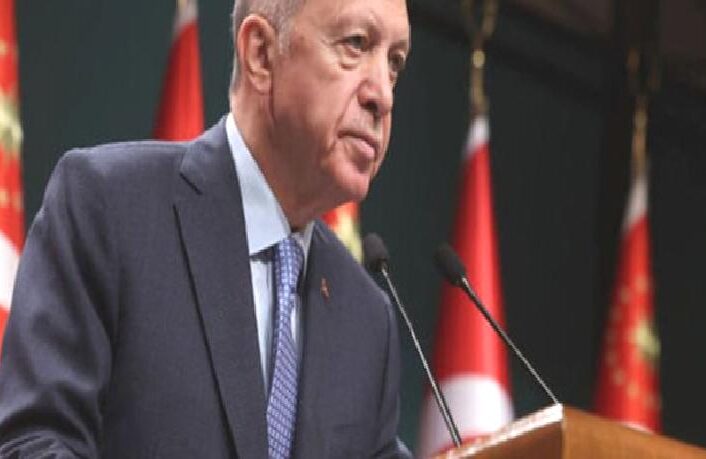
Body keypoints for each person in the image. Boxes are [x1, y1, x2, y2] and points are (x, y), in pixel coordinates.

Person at [0, 0, 411, 457]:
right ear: (260, 54)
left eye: (394, 63)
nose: (383, 95)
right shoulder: (109, 208)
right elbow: (33, 444)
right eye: (356, 44)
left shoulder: (367, 320)